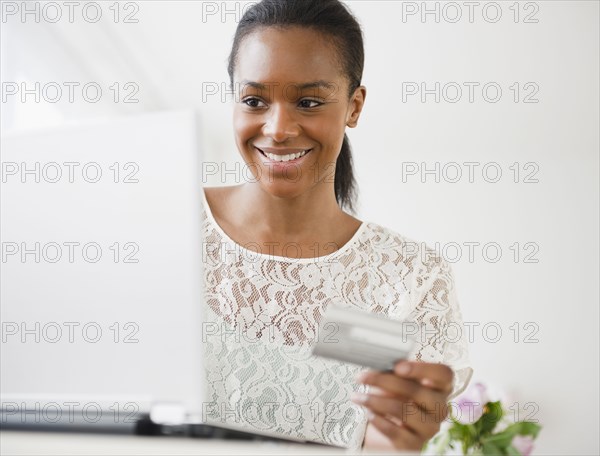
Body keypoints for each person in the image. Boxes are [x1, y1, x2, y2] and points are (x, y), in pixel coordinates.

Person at [200, 0, 473, 451]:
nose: (278, 128)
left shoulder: (406, 277)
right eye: (254, 100)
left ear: (354, 106)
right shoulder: (168, 228)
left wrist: (400, 437)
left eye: (309, 102)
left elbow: (380, 441)